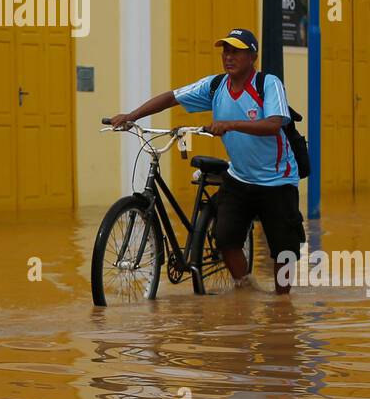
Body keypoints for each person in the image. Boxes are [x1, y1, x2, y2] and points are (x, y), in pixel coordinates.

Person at [109, 27, 303, 294]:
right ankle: (245, 290)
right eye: (225, 50)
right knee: (225, 239)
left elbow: (272, 125)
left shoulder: (268, 84)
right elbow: (171, 97)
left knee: (284, 250)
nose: (228, 56)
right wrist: (132, 115)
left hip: (277, 179)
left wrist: (230, 124)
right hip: (240, 177)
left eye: (236, 51)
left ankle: (283, 305)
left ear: (252, 56)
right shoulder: (215, 86)